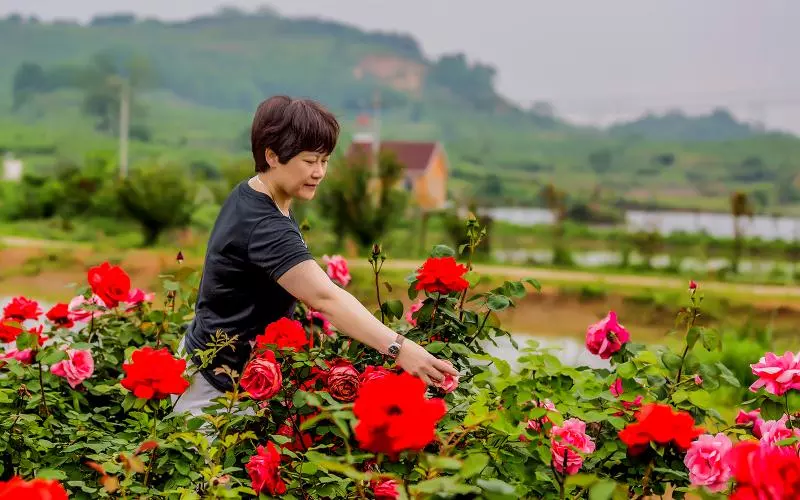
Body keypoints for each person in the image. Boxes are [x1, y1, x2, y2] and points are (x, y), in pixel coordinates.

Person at [173, 96, 458, 416]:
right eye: (310, 161)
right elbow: (326, 299)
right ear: (272, 155)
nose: (320, 172)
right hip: (214, 390)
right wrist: (401, 349)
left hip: (208, 360)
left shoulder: (254, 193)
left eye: (325, 160)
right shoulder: (265, 226)